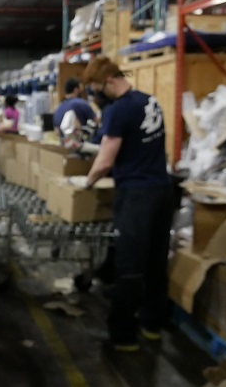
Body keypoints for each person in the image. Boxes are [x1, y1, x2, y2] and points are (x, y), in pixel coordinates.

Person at [82, 56, 174, 352]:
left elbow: (105, 160)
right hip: (162, 190)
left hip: (136, 196)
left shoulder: (118, 110)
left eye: (97, 88)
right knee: (155, 262)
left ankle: (123, 336)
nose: (96, 94)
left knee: (130, 265)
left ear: (110, 81)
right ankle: (151, 324)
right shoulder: (150, 101)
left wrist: (85, 184)